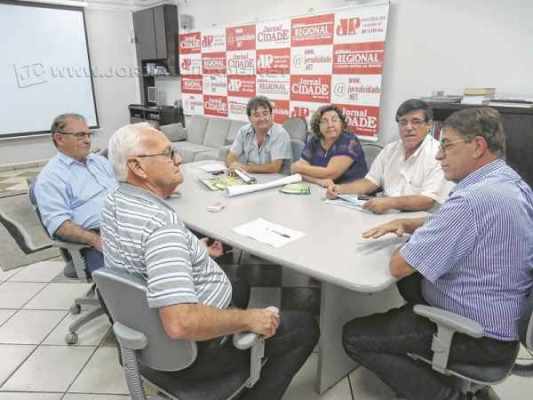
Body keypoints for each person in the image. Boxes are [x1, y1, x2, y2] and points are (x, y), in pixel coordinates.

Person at [102, 122, 319, 400]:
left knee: (237, 279)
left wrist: (193, 250)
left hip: (143, 335)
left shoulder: (114, 200)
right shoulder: (160, 227)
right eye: (169, 154)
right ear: (138, 167)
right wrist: (249, 318)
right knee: (304, 328)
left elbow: (137, 256)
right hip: (190, 356)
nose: (178, 159)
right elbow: (180, 323)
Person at [342, 107, 533, 400]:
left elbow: (399, 265)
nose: (439, 155)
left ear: (478, 146)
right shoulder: (510, 183)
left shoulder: (471, 200)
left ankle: (445, 395)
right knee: (409, 286)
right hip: (504, 316)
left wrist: (412, 240)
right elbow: (465, 222)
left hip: (477, 335)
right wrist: (412, 222)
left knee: (354, 336)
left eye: (447, 146)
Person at [326, 99, 452, 213]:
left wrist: (389, 203)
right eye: (403, 122)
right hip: (386, 213)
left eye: (416, 122)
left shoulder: (438, 154)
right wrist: (340, 189)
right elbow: (370, 182)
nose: (408, 127)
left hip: (417, 220)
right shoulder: (390, 149)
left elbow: (427, 200)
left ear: (429, 125)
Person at [34, 113, 117, 273]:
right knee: (125, 285)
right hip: (95, 237)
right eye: (80, 135)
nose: (87, 140)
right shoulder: (50, 178)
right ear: (59, 139)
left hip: (127, 226)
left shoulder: (99, 162)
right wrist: (96, 240)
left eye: (88, 134)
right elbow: (59, 225)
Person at [290, 104, 368, 187]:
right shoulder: (315, 140)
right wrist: (318, 181)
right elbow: (298, 173)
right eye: (324, 121)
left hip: (352, 194)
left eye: (334, 120)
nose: (330, 125)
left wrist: (298, 168)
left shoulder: (349, 141)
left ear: (341, 123)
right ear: (318, 125)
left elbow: (330, 174)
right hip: (323, 191)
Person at [225, 96, 292, 174]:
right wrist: (233, 165)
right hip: (253, 176)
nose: (262, 118)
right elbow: (232, 155)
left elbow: (274, 167)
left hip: (275, 179)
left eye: (265, 114)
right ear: (250, 118)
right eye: (256, 115)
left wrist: (246, 168)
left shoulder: (280, 133)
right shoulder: (243, 131)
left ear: (271, 115)